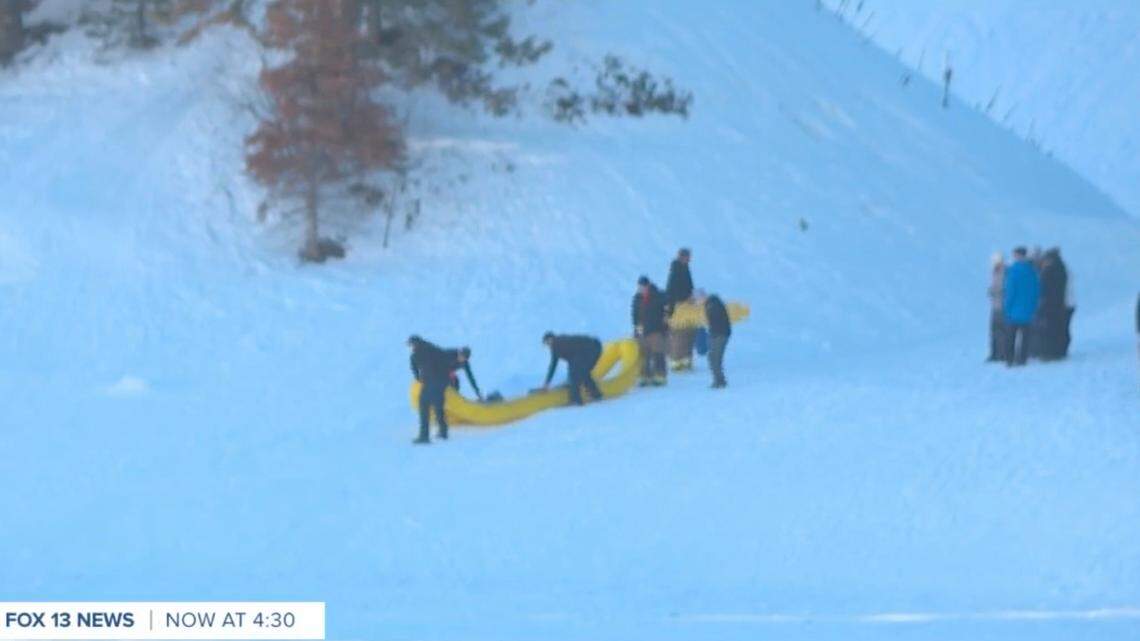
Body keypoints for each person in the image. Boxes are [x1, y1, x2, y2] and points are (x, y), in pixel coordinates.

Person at [408, 336, 478, 443]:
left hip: (440, 379)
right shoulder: (448, 353)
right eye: (461, 357)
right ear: (459, 353)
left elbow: (470, 377)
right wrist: (420, 377)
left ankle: (425, 435)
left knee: (427, 403)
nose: (462, 359)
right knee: (437, 404)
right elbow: (421, 364)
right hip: (441, 378)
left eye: (464, 358)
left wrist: (477, 392)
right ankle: (443, 431)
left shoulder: (419, 351)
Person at [541, 332, 604, 405]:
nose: (547, 346)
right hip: (595, 347)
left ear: (550, 339)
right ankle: (596, 395)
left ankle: (575, 400)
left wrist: (570, 381)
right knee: (582, 372)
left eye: (546, 343)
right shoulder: (557, 345)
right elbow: (553, 365)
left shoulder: (558, 343)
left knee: (575, 373)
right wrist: (547, 383)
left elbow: (571, 363)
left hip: (590, 349)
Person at [1002, 247, 1040, 367]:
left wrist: (1006, 307)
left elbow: (1010, 292)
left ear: (1017, 255)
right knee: (1025, 337)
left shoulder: (1013, 272)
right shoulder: (1032, 271)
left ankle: (1010, 359)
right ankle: (1022, 358)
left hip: (1013, 310)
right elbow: (1037, 291)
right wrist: (1034, 307)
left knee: (1011, 336)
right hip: (1028, 310)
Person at [632, 275, 668, 386]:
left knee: (658, 353)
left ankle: (659, 376)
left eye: (642, 287)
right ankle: (644, 376)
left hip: (656, 329)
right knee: (643, 354)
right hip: (641, 331)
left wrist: (665, 322)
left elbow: (667, 307)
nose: (640, 289)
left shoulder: (657, 295)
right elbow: (634, 313)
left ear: (647, 286)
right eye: (639, 287)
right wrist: (636, 325)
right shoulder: (637, 298)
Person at [665, 248, 696, 371]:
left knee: (689, 332)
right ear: (682, 257)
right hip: (678, 308)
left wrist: (693, 296)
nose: (689, 259)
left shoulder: (686, 269)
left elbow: (689, 286)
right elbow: (673, 291)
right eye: (687, 257)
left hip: (687, 307)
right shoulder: (676, 271)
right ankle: (676, 361)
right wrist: (685, 298)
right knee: (679, 335)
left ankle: (687, 359)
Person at [1037, 247, 1069, 361]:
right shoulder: (1061, 268)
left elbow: (1045, 287)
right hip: (1058, 304)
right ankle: (1057, 351)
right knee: (1058, 328)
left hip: (1050, 305)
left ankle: (1051, 352)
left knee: (1050, 329)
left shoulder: (1051, 271)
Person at [698, 290, 732, 388]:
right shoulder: (711, 303)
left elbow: (716, 320)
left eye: (698, 299)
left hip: (720, 334)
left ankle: (719, 381)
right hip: (718, 334)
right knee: (713, 357)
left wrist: (711, 332)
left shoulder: (712, 305)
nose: (697, 302)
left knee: (714, 358)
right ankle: (719, 380)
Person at [986, 252, 1007, 363]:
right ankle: (994, 353)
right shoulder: (994, 273)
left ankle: (1002, 353)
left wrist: (996, 292)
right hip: (995, 306)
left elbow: (1005, 289)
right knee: (993, 331)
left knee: (1002, 331)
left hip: (1002, 306)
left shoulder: (1006, 272)